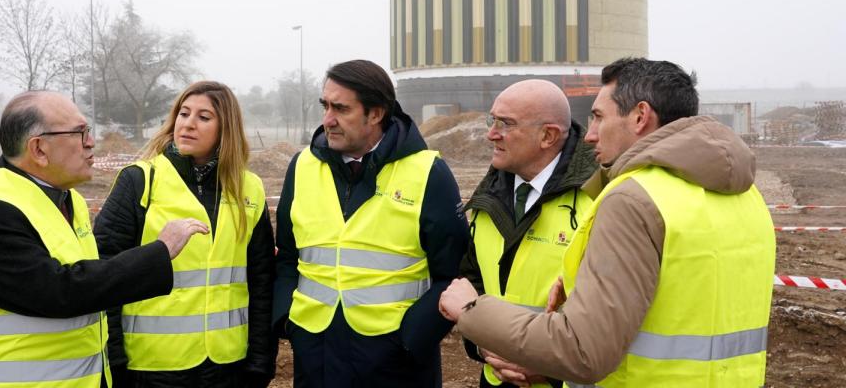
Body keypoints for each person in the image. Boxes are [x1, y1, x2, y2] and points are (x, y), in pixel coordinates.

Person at [440, 58, 776, 387]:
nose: (589, 135)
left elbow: (584, 351)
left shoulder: (632, 198)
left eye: (599, 117)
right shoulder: (748, 198)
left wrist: (471, 310)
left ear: (640, 117)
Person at [0, 91, 209, 388]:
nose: (91, 142)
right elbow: (62, 291)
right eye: (79, 133)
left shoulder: (67, 200)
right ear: (38, 149)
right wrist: (160, 251)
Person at [273, 59, 469, 388]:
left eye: (340, 109)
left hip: (395, 365)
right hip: (316, 356)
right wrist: (287, 320)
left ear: (376, 113)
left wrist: (411, 339)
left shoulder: (428, 173)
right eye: (325, 106)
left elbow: (453, 273)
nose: (328, 120)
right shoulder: (302, 166)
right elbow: (288, 257)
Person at [94, 81, 276, 388]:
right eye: (184, 113)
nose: (188, 124)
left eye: (204, 117)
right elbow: (104, 273)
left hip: (227, 365)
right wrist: (114, 358)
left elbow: (261, 281)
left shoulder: (250, 188)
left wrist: (260, 358)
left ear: (225, 128)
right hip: (152, 366)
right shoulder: (140, 181)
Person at [459, 79, 596, 388]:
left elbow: (608, 314)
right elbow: (472, 279)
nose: (490, 134)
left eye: (505, 124)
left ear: (547, 136)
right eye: (491, 120)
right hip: (495, 376)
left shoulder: (597, 199)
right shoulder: (489, 194)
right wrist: (482, 346)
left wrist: (550, 368)